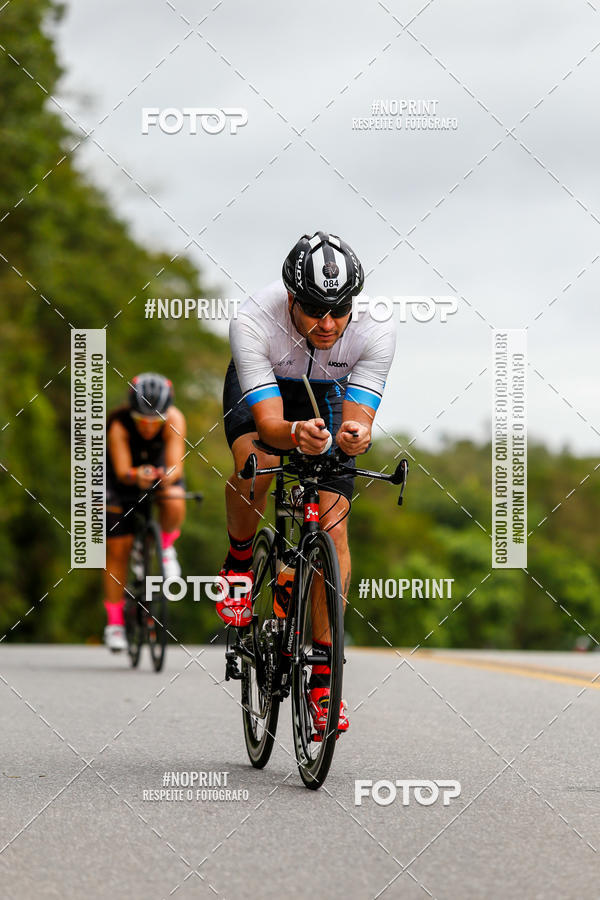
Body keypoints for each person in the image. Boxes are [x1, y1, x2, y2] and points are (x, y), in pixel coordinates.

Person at [219, 231, 396, 733]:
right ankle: (238, 563)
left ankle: (322, 675)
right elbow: (272, 426)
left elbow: (357, 420)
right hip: (270, 396)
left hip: (330, 392)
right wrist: (295, 433)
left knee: (334, 528)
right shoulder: (254, 320)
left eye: (339, 310)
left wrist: (356, 435)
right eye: (315, 309)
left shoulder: (376, 330)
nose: (328, 323)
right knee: (253, 465)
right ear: (291, 298)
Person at [103, 373, 187, 651]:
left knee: (175, 498)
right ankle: (114, 624)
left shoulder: (174, 418)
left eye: (156, 422)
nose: (149, 428)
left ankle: (164, 547)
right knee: (118, 548)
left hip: (159, 470)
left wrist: (165, 476)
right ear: (132, 413)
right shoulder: (118, 425)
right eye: (142, 422)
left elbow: (176, 466)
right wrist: (135, 475)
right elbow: (121, 471)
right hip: (122, 478)